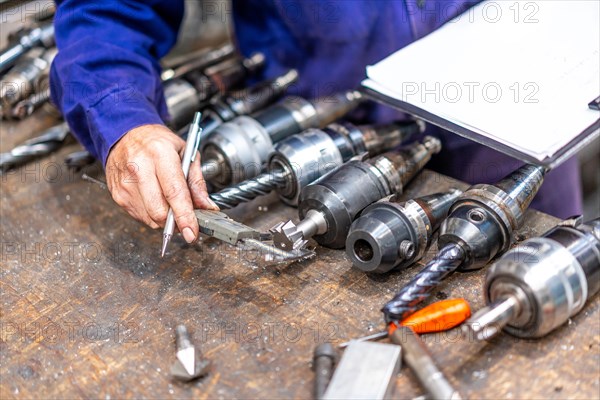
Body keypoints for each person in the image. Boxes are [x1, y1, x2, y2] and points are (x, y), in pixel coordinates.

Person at [50, 0, 582, 245]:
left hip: (520, 126)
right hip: (320, 142)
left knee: (557, 272)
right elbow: (107, 10)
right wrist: (121, 118)